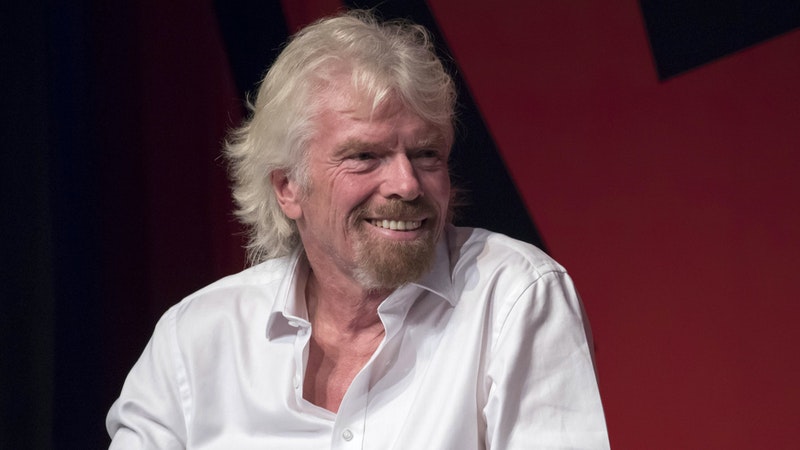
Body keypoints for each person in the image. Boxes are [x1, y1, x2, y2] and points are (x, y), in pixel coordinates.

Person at [107, 10, 609, 449]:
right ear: (288, 187)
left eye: (426, 153)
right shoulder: (196, 338)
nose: (407, 184)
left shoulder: (515, 298)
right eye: (365, 156)